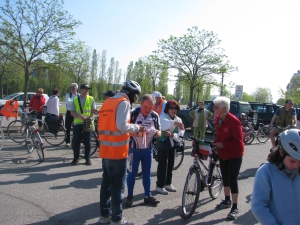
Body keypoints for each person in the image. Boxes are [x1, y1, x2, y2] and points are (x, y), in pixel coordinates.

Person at [98, 80, 146, 225]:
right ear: (131, 93)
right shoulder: (123, 102)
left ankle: (104, 215)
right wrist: (137, 128)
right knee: (118, 187)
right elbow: (121, 126)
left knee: (106, 184)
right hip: (118, 152)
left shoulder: (108, 102)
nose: (136, 99)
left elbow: (109, 126)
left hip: (105, 150)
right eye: (136, 95)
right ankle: (117, 219)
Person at [251, 129, 300, 224]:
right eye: (292, 161)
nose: (297, 165)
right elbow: (258, 206)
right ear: (281, 153)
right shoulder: (266, 172)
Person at [126, 94, 161, 207]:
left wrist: (157, 133)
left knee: (147, 173)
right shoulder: (133, 113)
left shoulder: (155, 115)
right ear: (141, 104)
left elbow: (159, 131)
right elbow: (124, 131)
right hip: (134, 149)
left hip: (148, 149)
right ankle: (130, 196)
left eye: (151, 108)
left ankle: (147, 196)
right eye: (146, 107)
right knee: (132, 173)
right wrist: (138, 132)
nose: (148, 110)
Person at [213, 96, 244, 220]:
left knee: (232, 179)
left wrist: (223, 144)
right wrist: (216, 144)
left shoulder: (234, 121)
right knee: (224, 178)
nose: (214, 109)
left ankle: (235, 207)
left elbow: (239, 142)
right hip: (223, 153)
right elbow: (219, 137)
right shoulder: (218, 119)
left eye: (216, 107)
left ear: (224, 108)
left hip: (235, 154)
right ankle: (227, 201)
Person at [155, 100, 185, 195]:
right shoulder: (163, 117)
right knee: (162, 166)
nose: (173, 110)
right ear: (167, 109)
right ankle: (159, 185)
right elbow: (163, 125)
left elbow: (181, 132)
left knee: (171, 165)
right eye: (171, 108)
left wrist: (172, 134)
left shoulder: (178, 119)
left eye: (175, 108)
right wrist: (175, 124)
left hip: (173, 145)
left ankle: (168, 183)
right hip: (163, 145)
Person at [70, 84, 97, 166]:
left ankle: (88, 158)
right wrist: (80, 116)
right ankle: (76, 158)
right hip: (78, 123)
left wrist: (90, 118)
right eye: (85, 89)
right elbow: (72, 112)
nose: (86, 91)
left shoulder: (91, 99)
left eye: (87, 90)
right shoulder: (75, 100)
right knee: (76, 141)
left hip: (88, 123)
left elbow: (93, 111)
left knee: (88, 142)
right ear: (81, 90)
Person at [65, 83, 78, 147]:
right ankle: (67, 141)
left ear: (76, 88)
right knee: (67, 128)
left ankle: (75, 140)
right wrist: (76, 102)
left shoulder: (79, 95)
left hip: (76, 113)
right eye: (71, 88)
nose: (72, 89)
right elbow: (68, 103)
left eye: (73, 88)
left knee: (76, 127)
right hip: (69, 112)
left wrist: (73, 102)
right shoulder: (68, 95)